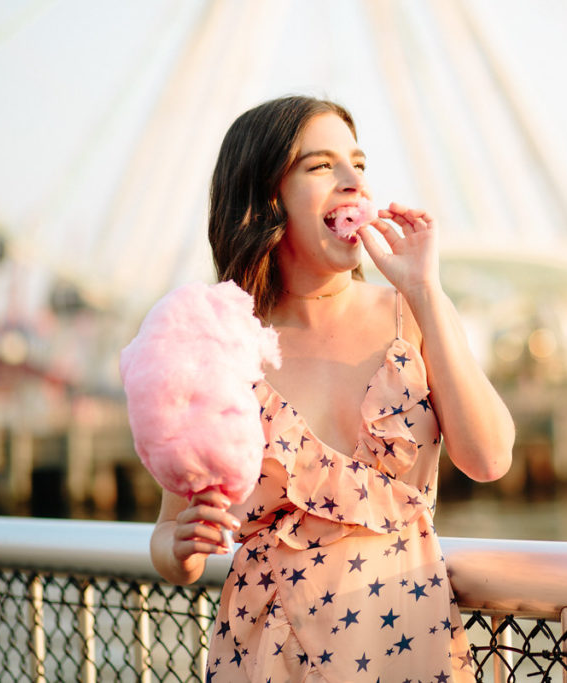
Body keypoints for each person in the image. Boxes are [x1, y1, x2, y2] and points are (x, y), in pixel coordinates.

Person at [149, 94, 514, 681]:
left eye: (359, 165)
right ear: (267, 196)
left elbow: (490, 457)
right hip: (266, 655)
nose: (352, 182)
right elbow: (170, 534)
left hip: (405, 649)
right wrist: (181, 550)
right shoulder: (220, 342)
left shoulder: (411, 314)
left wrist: (425, 291)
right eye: (320, 166)